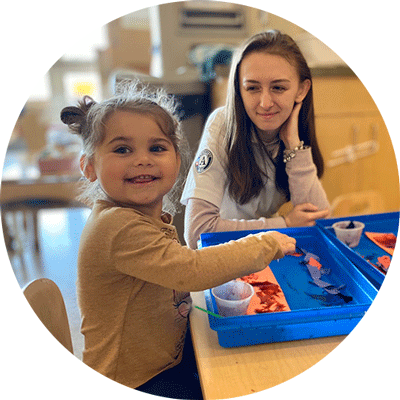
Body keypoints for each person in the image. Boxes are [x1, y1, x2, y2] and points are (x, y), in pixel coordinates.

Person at [60, 80, 296, 399]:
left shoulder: (140, 217)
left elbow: (176, 273)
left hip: (163, 359)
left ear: (176, 160)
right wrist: (266, 242)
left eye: (156, 148)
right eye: (122, 149)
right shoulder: (117, 226)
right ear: (89, 167)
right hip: (133, 380)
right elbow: (191, 271)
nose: (142, 159)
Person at [181, 30, 330, 249]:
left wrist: (293, 145)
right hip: (223, 257)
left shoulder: (294, 129)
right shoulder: (222, 125)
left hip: (267, 251)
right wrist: (284, 224)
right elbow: (197, 233)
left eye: (278, 88)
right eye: (252, 88)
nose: (265, 103)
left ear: (301, 90)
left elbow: (319, 221)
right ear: (238, 90)